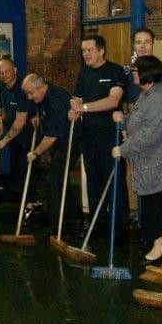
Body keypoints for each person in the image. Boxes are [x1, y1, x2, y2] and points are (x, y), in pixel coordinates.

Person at [112, 56, 162, 263]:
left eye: (136, 71)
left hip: (161, 164)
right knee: (157, 205)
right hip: (152, 163)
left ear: (146, 73)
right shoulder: (146, 94)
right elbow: (139, 120)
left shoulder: (158, 96)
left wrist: (123, 149)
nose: (133, 74)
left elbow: (151, 134)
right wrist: (124, 121)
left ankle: (159, 245)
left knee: (156, 206)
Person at [70, 35, 128, 239]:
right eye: (83, 51)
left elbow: (113, 100)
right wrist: (74, 109)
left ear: (101, 50)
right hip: (89, 135)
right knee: (94, 182)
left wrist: (84, 108)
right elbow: (76, 98)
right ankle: (97, 224)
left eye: (89, 50)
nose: (85, 54)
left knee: (114, 182)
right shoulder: (84, 73)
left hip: (110, 135)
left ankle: (119, 229)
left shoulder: (115, 71)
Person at [22, 73, 82, 235]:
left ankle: (56, 227)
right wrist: (37, 118)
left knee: (53, 180)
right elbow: (42, 112)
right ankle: (75, 217)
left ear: (40, 88)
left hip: (71, 141)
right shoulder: (41, 96)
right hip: (59, 140)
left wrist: (35, 152)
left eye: (30, 93)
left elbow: (52, 136)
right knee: (60, 178)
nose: (29, 97)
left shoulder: (57, 99)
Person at [0, 58, 39, 211]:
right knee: (17, 170)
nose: (4, 75)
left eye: (7, 71)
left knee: (27, 168)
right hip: (13, 132)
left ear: (15, 70)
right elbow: (2, 107)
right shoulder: (1, 86)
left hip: (28, 132)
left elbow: (20, 121)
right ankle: (25, 202)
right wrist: (1, 118)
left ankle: (33, 205)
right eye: (0, 72)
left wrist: (3, 141)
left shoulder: (22, 88)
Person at [126, 28, 162, 106]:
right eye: (138, 42)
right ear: (134, 46)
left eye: (147, 42)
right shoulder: (132, 72)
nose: (142, 46)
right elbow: (131, 103)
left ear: (153, 44)